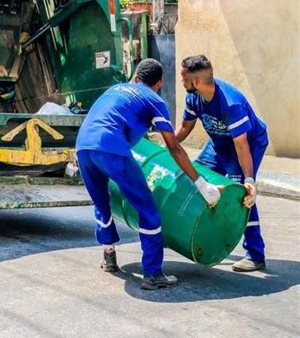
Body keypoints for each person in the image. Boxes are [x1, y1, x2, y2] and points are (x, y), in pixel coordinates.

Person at [76, 58, 220, 290]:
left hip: (83, 147)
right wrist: (200, 182)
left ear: (135, 77)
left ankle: (109, 257)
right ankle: (153, 274)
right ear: (160, 82)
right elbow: (173, 146)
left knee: (102, 202)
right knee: (148, 210)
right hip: (111, 148)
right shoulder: (154, 100)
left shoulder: (115, 89)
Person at [175, 55, 268, 272]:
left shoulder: (230, 103)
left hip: (247, 143)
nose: (181, 81)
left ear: (196, 81)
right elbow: (185, 128)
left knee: (241, 196)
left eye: (183, 77)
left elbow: (242, 145)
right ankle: (207, 236)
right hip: (219, 143)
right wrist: (166, 145)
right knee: (197, 179)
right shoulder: (193, 97)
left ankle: (255, 255)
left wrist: (249, 180)